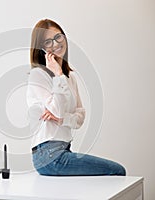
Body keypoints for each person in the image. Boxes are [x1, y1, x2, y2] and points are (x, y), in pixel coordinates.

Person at [27, 19, 126, 176]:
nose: (55, 43)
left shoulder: (70, 77)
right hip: (48, 156)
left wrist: (61, 119)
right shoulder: (38, 75)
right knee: (117, 171)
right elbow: (58, 110)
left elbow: (80, 117)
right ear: (41, 48)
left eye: (58, 37)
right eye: (48, 41)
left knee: (114, 173)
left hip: (64, 150)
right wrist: (58, 74)